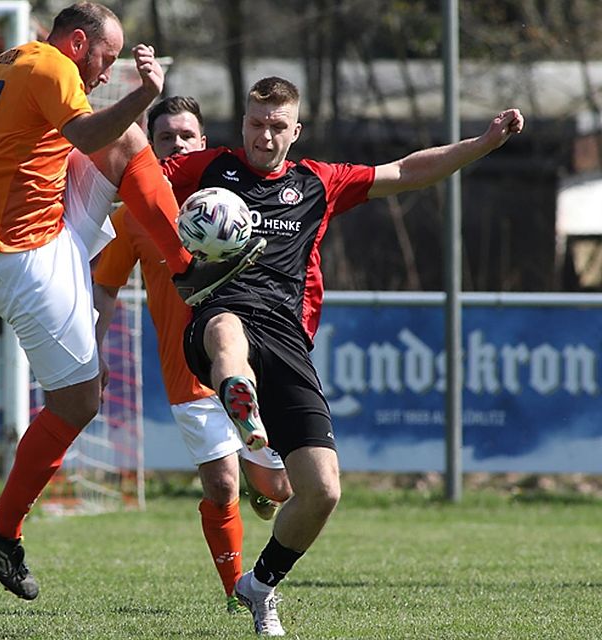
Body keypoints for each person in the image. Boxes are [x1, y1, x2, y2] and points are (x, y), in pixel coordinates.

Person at [163, 77, 524, 636]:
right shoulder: (207, 169)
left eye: (277, 125)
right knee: (227, 333)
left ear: (296, 130)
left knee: (323, 491)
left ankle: (260, 587)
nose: (265, 135)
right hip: (219, 311)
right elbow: (131, 176)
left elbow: (404, 172)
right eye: (256, 124)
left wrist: (480, 144)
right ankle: (240, 397)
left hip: (287, 336)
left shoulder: (316, 182)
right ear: (242, 126)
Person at [0, 2, 263, 601]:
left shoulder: (12, 63)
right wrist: (145, 92)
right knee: (80, 401)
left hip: (47, 232)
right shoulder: (54, 67)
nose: (106, 72)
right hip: (23, 257)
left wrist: (11, 131)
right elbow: (85, 133)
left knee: (128, 143)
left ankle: (189, 265)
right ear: (79, 43)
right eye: (106, 59)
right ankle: (1, 530)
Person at [93, 96, 292, 614]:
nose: (177, 145)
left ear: (203, 145)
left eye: (187, 137)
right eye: (165, 138)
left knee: (281, 489)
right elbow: (107, 285)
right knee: (221, 482)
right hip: (187, 372)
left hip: (248, 359)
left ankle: (266, 491)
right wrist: (94, 351)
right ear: (152, 147)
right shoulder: (136, 215)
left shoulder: (243, 203)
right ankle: (237, 591)